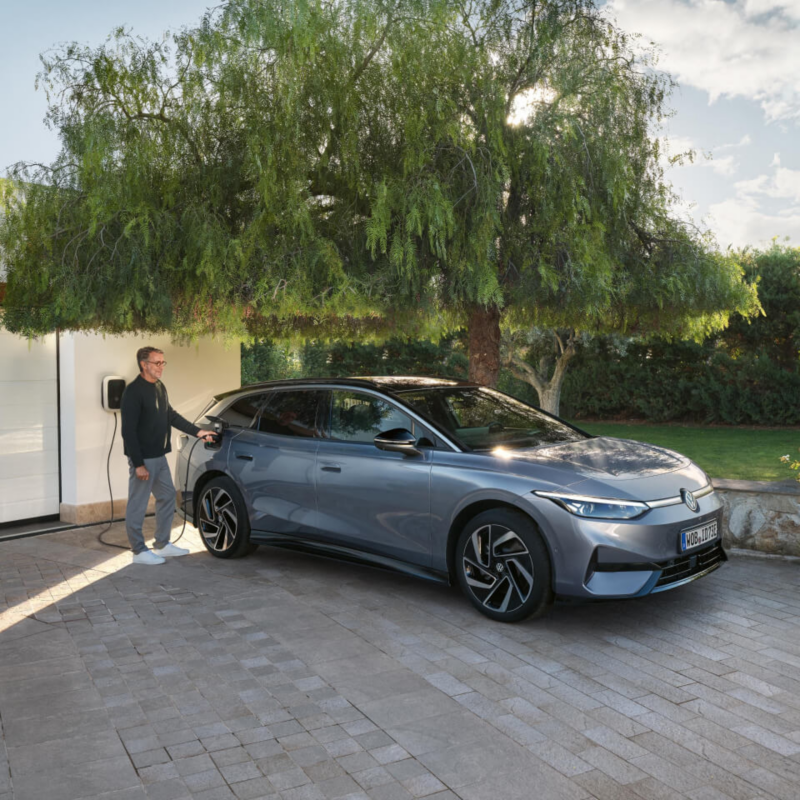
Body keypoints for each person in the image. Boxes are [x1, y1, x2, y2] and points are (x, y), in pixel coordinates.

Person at [121, 347, 216, 565]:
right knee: (138, 503)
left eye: (163, 363)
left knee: (167, 497)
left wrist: (199, 432)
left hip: (160, 456)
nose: (161, 367)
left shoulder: (159, 387)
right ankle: (138, 551)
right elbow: (128, 431)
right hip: (144, 459)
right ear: (144, 364)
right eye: (157, 363)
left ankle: (162, 545)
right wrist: (138, 464)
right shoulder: (133, 392)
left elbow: (170, 415)